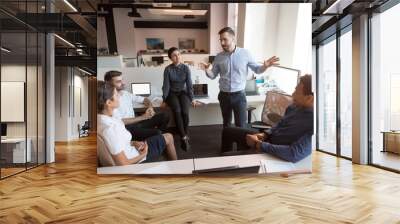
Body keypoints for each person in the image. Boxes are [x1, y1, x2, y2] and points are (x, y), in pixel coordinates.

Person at [221, 75, 314, 163]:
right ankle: (226, 159)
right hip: (267, 140)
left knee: (236, 158)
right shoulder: (293, 107)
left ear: (309, 98)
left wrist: (259, 145)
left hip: (275, 152)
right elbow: (280, 124)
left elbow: (293, 154)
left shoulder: (314, 125)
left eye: (296, 92)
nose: (292, 94)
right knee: (227, 131)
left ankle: (236, 161)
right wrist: (265, 134)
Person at [200, 27, 280, 128]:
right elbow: (213, 75)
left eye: (225, 39)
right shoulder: (219, 57)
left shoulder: (245, 54)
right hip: (223, 95)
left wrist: (265, 66)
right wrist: (207, 70)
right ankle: (226, 144)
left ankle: (241, 144)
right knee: (226, 124)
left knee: (241, 125)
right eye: (221, 40)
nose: (222, 43)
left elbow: (257, 70)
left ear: (233, 39)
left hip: (239, 96)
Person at [97, 81, 177, 165]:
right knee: (169, 137)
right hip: (136, 158)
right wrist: (143, 155)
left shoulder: (104, 119)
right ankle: (176, 168)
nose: (119, 96)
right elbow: (124, 164)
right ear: (109, 102)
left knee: (164, 118)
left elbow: (119, 143)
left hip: (132, 148)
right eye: (116, 95)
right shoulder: (110, 129)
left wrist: (134, 143)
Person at [104, 70, 170, 141]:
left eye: (122, 80)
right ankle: (157, 140)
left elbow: (145, 99)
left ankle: (159, 140)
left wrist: (150, 107)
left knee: (165, 116)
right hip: (126, 128)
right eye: (118, 81)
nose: (123, 83)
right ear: (109, 84)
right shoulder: (110, 101)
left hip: (137, 122)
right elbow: (120, 122)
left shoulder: (125, 93)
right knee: (157, 133)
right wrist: (143, 117)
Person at [161, 47, 199, 151]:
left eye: (178, 54)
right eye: (174, 55)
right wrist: (164, 99)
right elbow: (166, 86)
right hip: (172, 93)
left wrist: (192, 99)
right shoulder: (168, 69)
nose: (177, 57)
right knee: (177, 111)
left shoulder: (186, 68)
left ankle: (185, 133)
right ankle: (183, 137)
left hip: (183, 92)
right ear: (170, 58)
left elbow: (189, 84)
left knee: (185, 112)